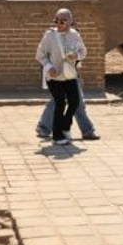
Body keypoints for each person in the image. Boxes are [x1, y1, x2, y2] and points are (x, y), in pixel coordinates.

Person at [36, 8, 85, 145]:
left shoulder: (75, 35)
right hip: (54, 75)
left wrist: (77, 56)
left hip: (70, 74)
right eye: (56, 21)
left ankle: (64, 126)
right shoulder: (49, 36)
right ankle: (57, 136)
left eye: (62, 21)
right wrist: (49, 67)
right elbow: (40, 54)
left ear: (70, 22)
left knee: (75, 102)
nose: (59, 24)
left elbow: (83, 52)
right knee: (60, 103)